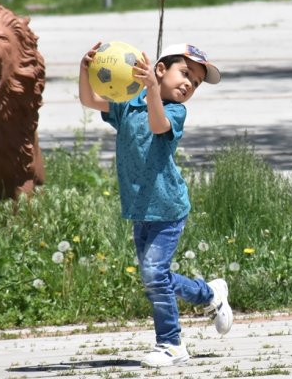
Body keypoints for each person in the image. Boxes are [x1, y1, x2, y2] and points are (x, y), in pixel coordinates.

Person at [78, 42, 234, 367]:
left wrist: (151, 90)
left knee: (153, 273)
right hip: (140, 208)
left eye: (196, 82)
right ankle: (209, 294)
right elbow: (89, 100)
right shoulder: (126, 104)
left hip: (168, 208)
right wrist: (85, 70)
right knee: (155, 276)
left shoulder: (175, 111)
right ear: (160, 69)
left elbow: (157, 125)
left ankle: (171, 344)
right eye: (185, 73)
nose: (189, 84)